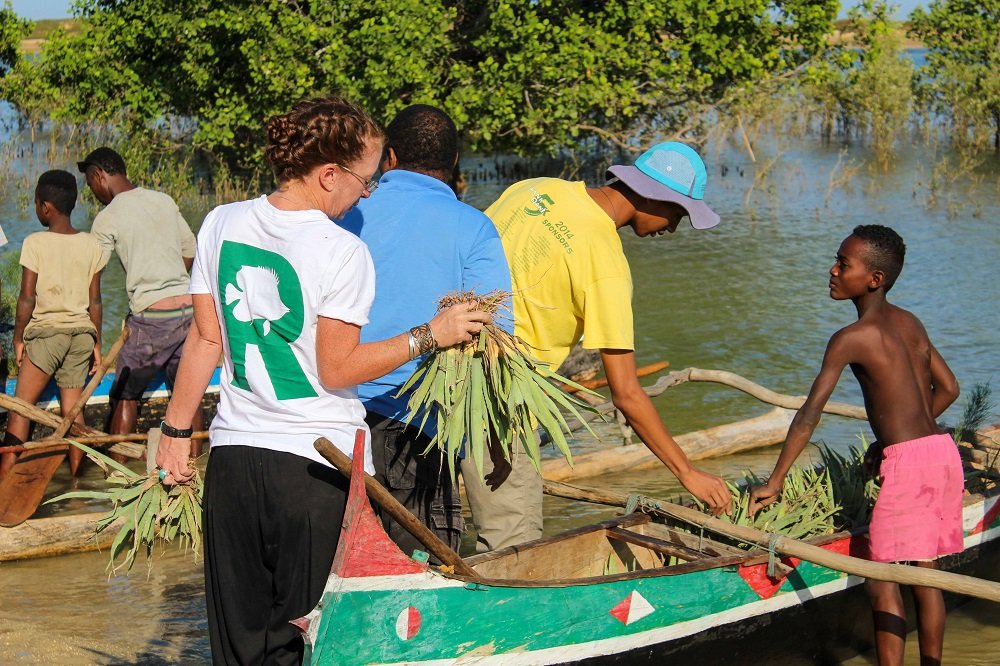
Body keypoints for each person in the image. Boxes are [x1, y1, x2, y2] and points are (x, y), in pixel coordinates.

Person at [154, 96, 489, 665]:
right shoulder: (342, 251)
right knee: (315, 640)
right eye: (365, 180)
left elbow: (206, 340)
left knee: (240, 641)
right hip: (316, 466)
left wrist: (175, 432)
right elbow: (338, 369)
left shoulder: (220, 222)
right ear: (328, 174)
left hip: (234, 458)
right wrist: (430, 334)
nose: (367, 194)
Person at [466, 142, 733, 553]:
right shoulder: (607, 266)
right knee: (511, 545)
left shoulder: (536, 190)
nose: (673, 228)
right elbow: (626, 393)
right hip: (500, 400)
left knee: (442, 518)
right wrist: (688, 472)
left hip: (445, 367)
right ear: (653, 196)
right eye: (677, 213)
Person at [748, 225, 962, 666]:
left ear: (874, 279)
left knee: (882, 579)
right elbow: (950, 388)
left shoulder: (851, 338)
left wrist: (775, 480)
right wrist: (896, 441)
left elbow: (809, 414)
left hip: (911, 465)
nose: (832, 270)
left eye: (844, 264)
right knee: (926, 574)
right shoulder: (910, 322)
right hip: (941, 454)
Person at [338, 104, 511, 558]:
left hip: (335, 418)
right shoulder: (473, 226)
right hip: (417, 424)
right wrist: (496, 439)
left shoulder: (346, 214)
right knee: (421, 568)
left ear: (389, 157)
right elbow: (496, 342)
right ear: (454, 163)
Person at [77, 147, 202, 456]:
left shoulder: (108, 218)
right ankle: (196, 470)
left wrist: (92, 335)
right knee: (187, 394)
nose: (92, 191)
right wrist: (168, 284)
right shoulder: (163, 200)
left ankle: (117, 476)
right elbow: (191, 249)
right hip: (188, 309)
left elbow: (91, 278)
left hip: (152, 319)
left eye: (90, 183)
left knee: (124, 395)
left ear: (99, 176)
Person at [0, 170, 106, 479]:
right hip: (81, 336)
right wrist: (97, 343)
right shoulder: (92, 244)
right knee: (73, 415)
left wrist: (19, 338)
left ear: (46, 207)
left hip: (46, 336)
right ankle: (77, 482)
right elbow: (96, 301)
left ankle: (5, 481)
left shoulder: (35, 243)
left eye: (35, 203)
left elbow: (26, 299)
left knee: (21, 410)